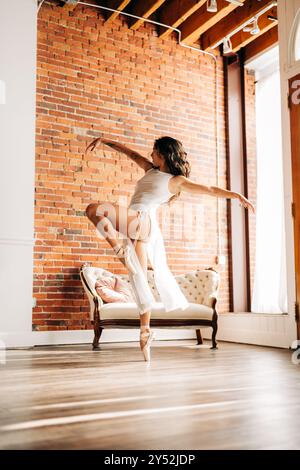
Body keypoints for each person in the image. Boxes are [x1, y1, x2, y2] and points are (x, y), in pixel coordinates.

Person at [85, 136, 255, 361]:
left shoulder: (176, 180)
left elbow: (209, 189)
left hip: (141, 219)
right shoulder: (150, 168)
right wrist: (105, 141)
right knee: (139, 279)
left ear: (163, 155)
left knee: (94, 209)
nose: (150, 155)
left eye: (154, 152)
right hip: (140, 228)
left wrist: (235, 195)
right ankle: (145, 333)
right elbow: (130, 153)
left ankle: (119, 251)